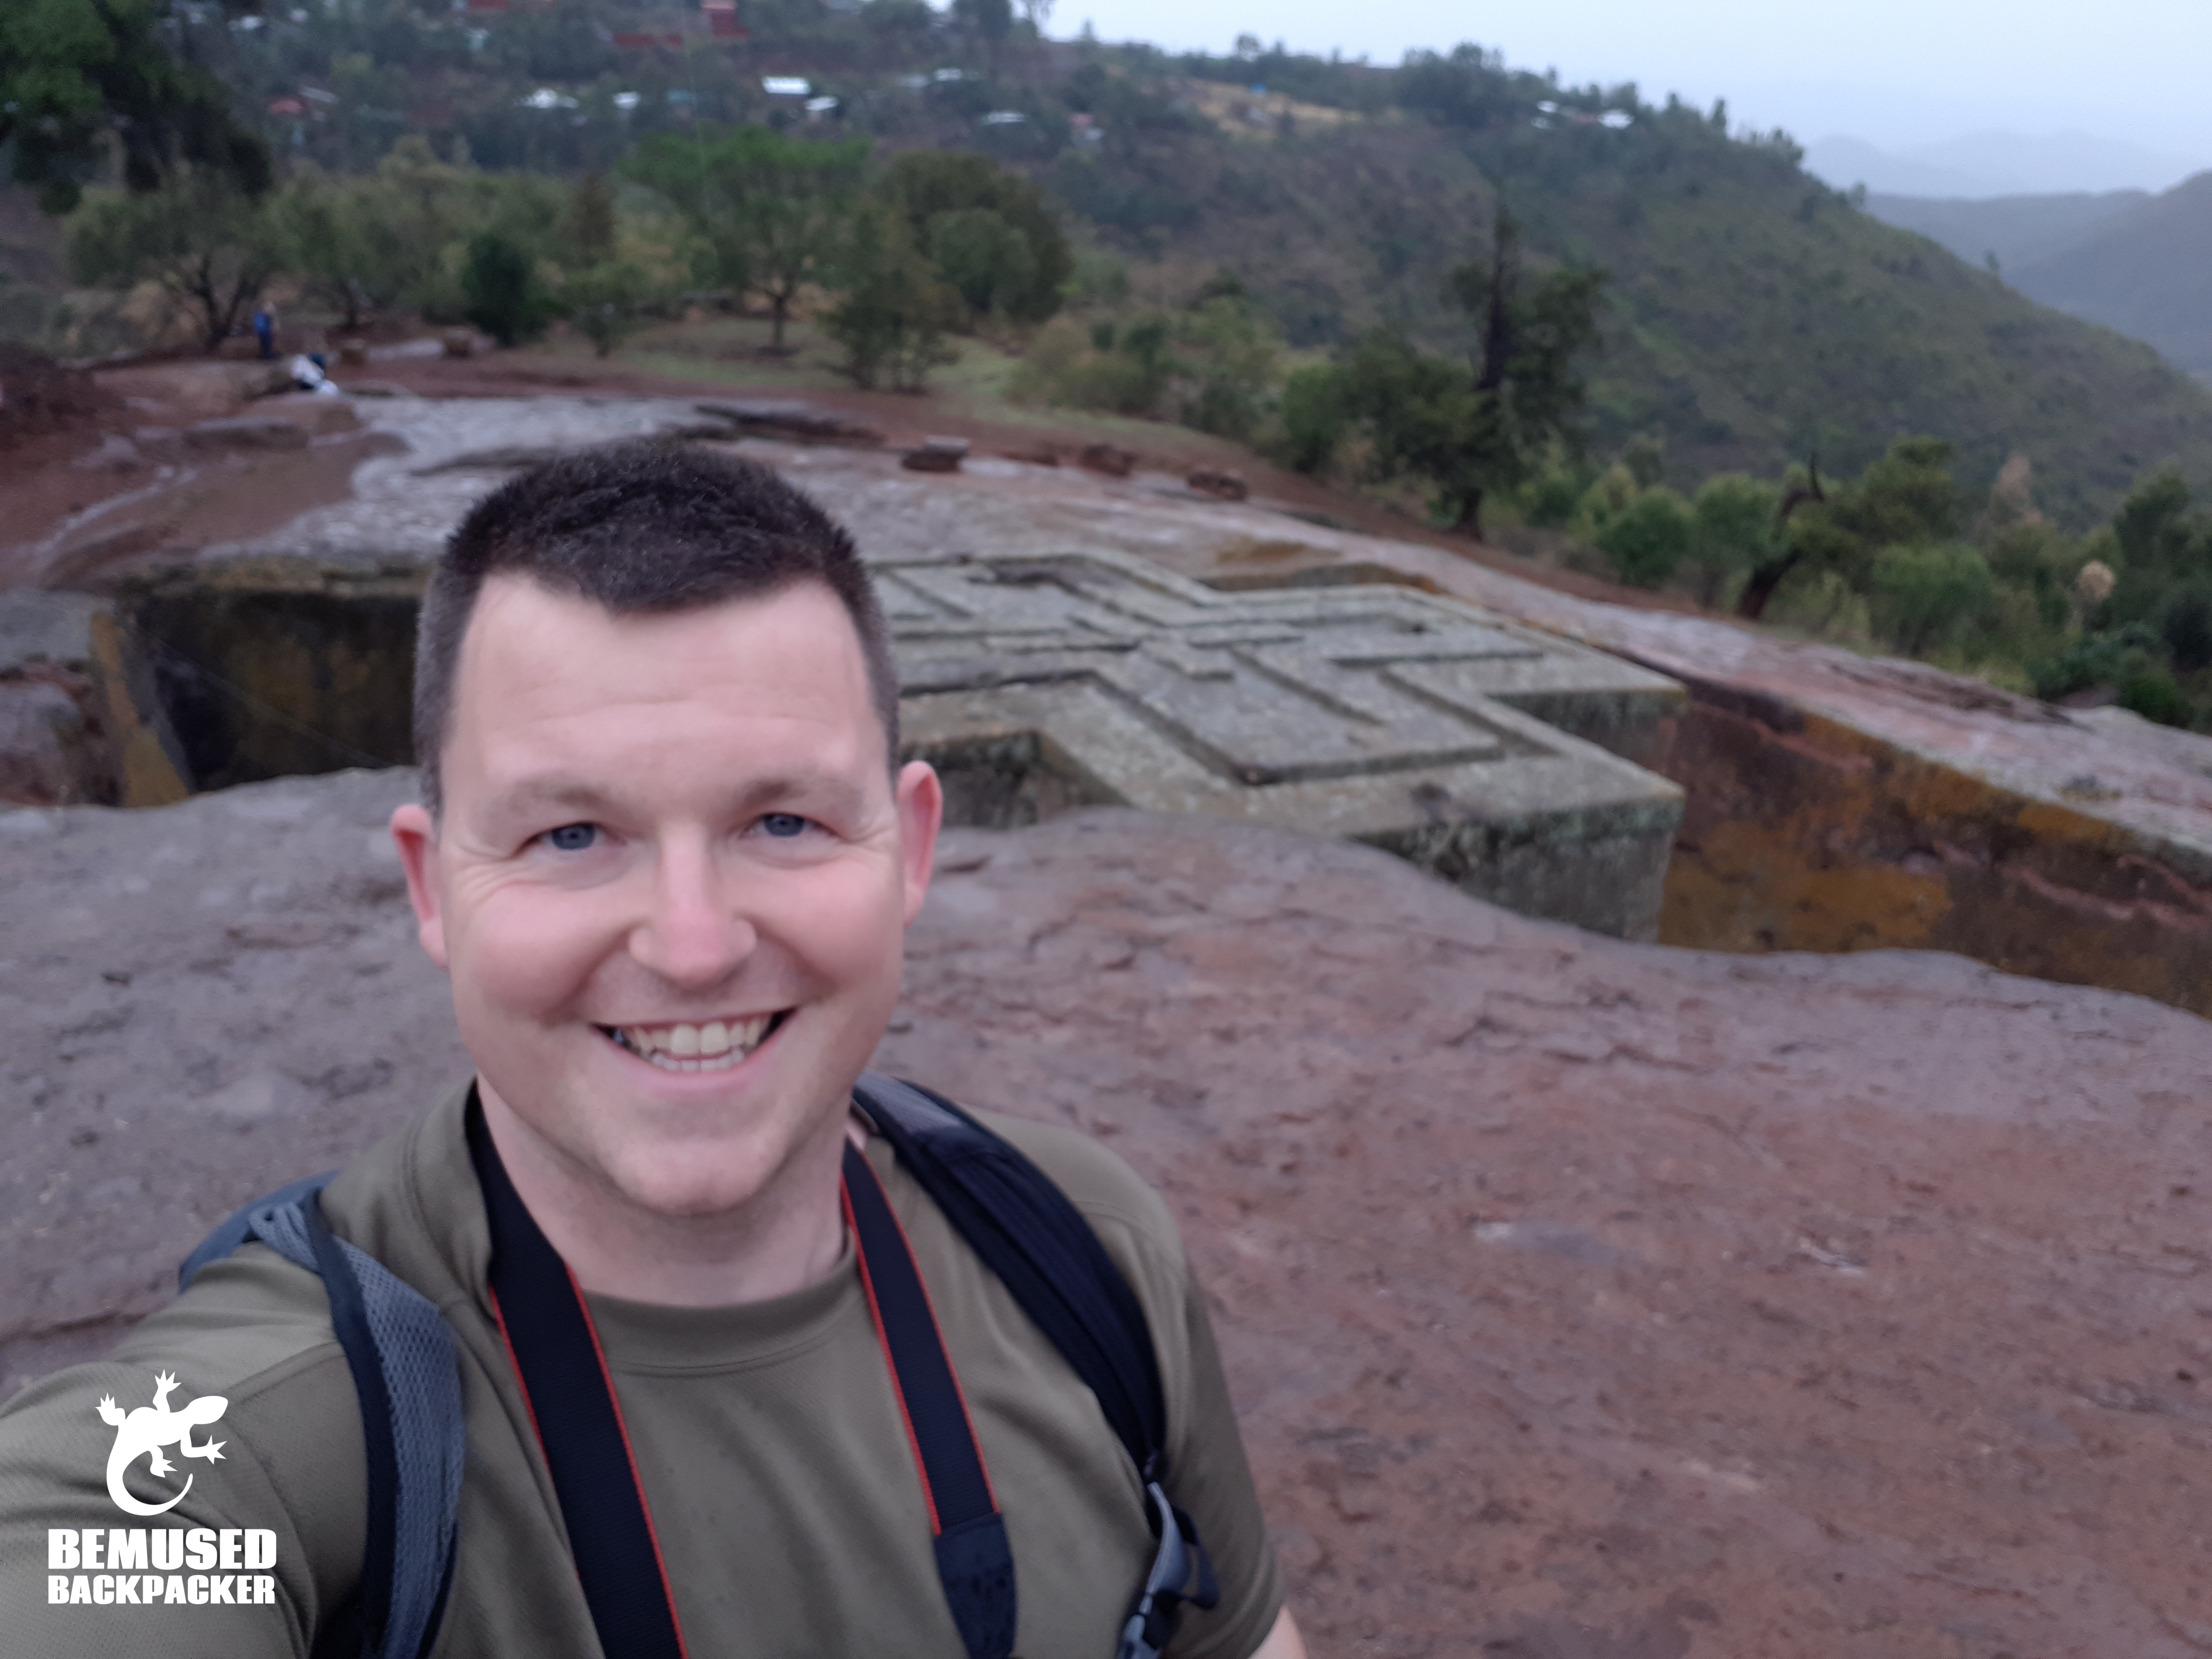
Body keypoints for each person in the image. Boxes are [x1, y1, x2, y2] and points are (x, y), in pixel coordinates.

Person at [0, 441, 1305, 1659]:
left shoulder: (1083, 1248)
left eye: (783, 821)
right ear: (432, 888)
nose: (691, 946)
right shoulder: (286, 1425)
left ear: (909, 849)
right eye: (572, 837)